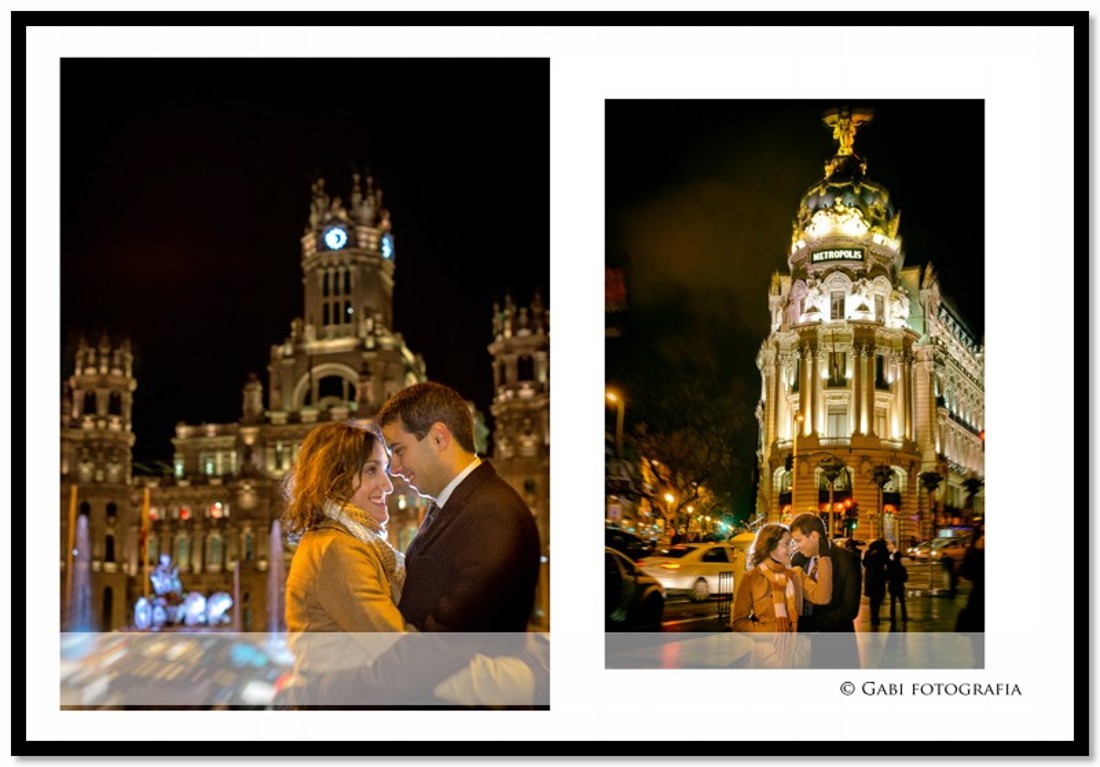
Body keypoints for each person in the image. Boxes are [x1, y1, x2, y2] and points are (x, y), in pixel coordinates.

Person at [378, 381, 542, 632]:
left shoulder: (492, 513)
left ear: (438, 438)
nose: (394, 469)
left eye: (398, 451)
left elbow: (450, 638)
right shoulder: (456, 504)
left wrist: (370, 671)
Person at [730, 523, 831, 668]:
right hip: (766, 655)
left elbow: (823, 597)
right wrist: (772, 630)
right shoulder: (751, 577)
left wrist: (824, 555)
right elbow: (739, 622)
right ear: (771, 548)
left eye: (792, 543)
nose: (792, 549)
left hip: (798, 653)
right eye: (786, 544)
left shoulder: (796, 574)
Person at [789, 513, 862, 667]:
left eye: (798, 540)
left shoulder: (847, 561)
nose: (797, 546)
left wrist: (810, 624)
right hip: (801, 646)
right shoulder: (797, 559)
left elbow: (849, 610)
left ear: (814, 536)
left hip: (836, 646)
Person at [862, 538, 890, 627]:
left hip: (870, 578)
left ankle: (874, 617)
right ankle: (875, 617)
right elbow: (887, 562)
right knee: (877, 599)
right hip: (879, 578)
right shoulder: (882, 552)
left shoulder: (869, 552)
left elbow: (864, 563)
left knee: (873, 600)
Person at [886, 550, 908, 627]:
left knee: (893, 602)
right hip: (899, 586)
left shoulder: (890, 566)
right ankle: (904, 616)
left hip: (892, 585)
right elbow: (905, 578)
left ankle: (892, 617)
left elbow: (887, 576)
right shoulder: (901, 567)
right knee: (902, 602)